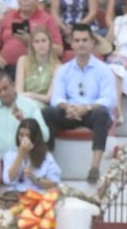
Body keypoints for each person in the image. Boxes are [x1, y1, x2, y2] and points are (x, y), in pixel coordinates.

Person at [45, 24, 116, 183]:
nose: (81, 44)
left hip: (92, 111)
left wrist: (87, 108)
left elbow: (108, 99)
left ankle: (94, 168)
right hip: (70, 111)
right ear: (72, 43)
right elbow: (56, 97)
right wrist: (67, 107)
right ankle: (47, 163)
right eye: (77, 40)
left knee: (102, 114)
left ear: (92, 43)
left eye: (85, 40)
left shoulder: (103, 69)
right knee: (47, 113)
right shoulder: (64, 69)